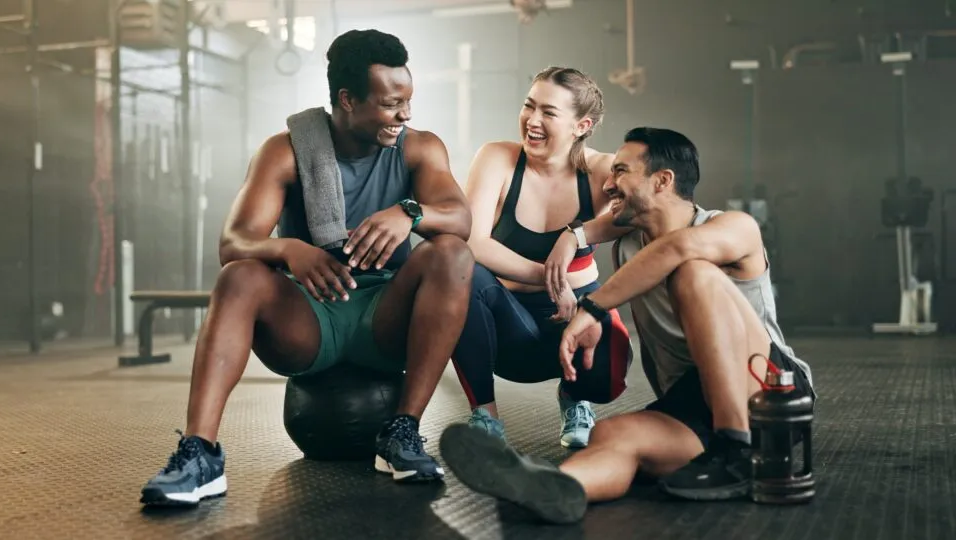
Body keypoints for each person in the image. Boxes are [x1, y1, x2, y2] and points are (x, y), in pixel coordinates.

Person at [140, 29, 475, 507]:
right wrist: (289, 249)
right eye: (390, 103)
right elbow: (233, 242)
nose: (405, 114)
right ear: (347, 99)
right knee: (239, 275)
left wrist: (410, 212)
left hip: (385, 313)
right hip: (311, 318)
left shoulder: (419, 148)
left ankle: (402, 433)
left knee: (452, 254)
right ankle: (201, 455)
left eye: (407, 100)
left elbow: (460, 218)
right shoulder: (285, 150)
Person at [439, 127, 816, 524]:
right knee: (612, 438)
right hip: (694, 404)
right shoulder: (630, 244)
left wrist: (593, 307)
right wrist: (573, 235)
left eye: (621, 171)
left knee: (692, 275)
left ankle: (736, 448)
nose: (608, 183)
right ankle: (554, 485)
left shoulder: (733, 227)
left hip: (772, 391)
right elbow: (615, 227)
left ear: (663, 180)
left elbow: (676, 247)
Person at [450, 66, 633, 449]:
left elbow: (641, 211)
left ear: (581, 125)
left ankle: (575, 398)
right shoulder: (497, 158)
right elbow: (474, 241)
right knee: (461, 272)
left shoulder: (603, 169)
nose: (532, 120)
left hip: (575, 318)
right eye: (529, 106)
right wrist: (551, 279)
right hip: (505, 325)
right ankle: (486, 417)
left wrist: (575, 235)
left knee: (608, 369)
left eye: (548, 113)